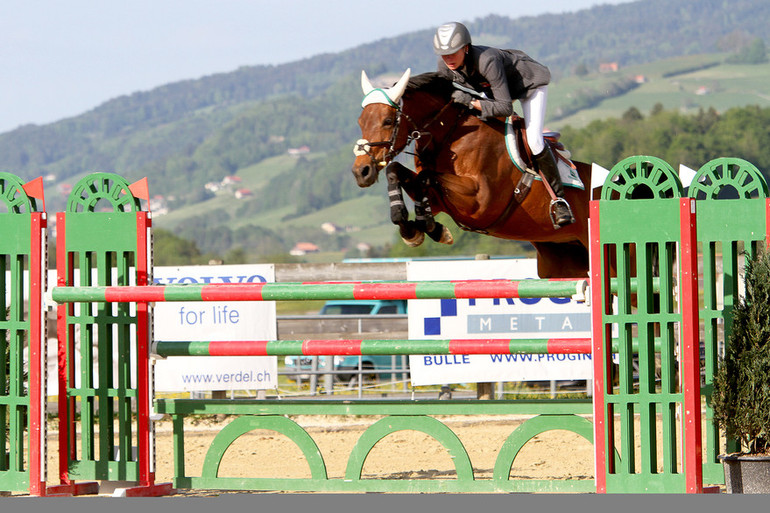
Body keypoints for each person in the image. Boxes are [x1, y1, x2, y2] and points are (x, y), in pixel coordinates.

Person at [433, 21, 574, 227]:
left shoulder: (487, 60)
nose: (448, 59)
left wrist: (471, 102)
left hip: (529, 86)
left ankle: (559, 200)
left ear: (465, 48)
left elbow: (505, 107)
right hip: (495, 92)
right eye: (444, 54)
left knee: (534, 141)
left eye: (453, 52)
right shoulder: (445, 67)